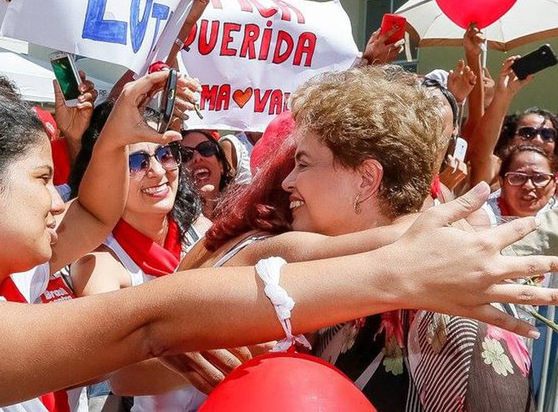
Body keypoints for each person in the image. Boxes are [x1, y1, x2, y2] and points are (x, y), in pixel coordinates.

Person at [0, 67, 558, 412]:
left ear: (364, 177)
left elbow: (269, 258)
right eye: (40, 178)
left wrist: (121, 123)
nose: (60, 200)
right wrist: (403, 265)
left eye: (302, 164)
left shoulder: (14, 283)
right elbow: (155, 320)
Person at [184, 66, 538, 410]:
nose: (288, 182)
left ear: (366, 179)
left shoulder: (453, 325)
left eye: (303, 163)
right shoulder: (344, 282)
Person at [67, 103, 209, 411]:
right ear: (107, 173)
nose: (157, 171)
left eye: (165, 154)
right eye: (137, 161)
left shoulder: (203, 233)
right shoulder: (100, 264)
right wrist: (221, 349)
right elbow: (120, 375)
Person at [468, 55, 557, 190]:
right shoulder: (497, 169)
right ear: (510, 140)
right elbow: (479, 155)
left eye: (547, 134)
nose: (538, 141)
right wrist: (505, 93)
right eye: (527, 133)